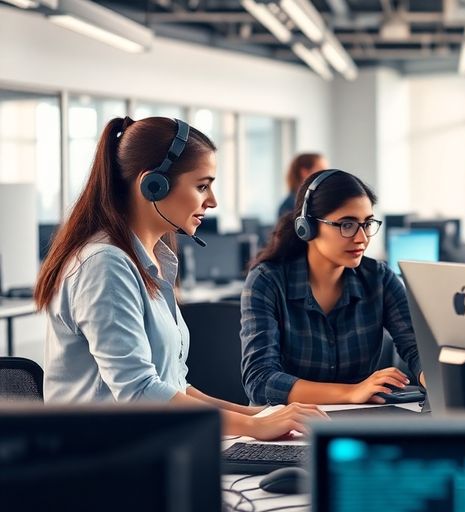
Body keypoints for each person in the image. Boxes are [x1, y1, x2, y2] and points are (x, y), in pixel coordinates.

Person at [35, 116, 326, 440]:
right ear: (152, 185)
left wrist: (258, 414)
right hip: (102, 467)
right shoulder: (105, 266)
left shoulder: (154, 262)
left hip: (151, 451)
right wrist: (253, 428)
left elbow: (173, 386)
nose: (212, 201)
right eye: (202, 185)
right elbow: (139, 392)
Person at [242, 169, 423, 405]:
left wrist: (432, 375)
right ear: (307, 227)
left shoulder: (379, 279)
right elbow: (259, 380)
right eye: (347, 225)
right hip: (286, 424)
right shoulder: (267, 281)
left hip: (359, 419)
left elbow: (416, 349)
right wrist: (350, 392)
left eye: (367, 224)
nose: (362, 238)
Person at [278, 153, 328, 218]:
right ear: (304, 172)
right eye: (321, 170)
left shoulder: (314, 199)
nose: (326, 175)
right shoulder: (289, 206)